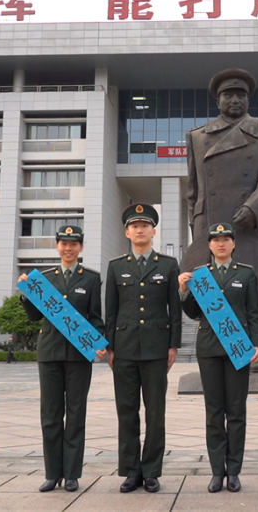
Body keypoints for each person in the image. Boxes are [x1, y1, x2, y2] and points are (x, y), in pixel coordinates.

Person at [18, 225, 105, 493]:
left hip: (79, 355)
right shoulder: (43, 279)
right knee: (51, 415)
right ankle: (52, 473)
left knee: (76, 414)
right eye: (64, 243)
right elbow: (34, 317)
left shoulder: (90, 278)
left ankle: (72, 474)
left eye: (74, 244)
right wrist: (26, 294)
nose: (68, 248)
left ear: (80, 247)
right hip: (50, 352)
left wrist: (99, 341)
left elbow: (95, 317)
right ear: (57, 246)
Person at [178, 222, 258, 493]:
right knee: (214, 412)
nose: (221, 244)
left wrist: (257, 344)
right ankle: (217, 471)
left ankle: (234, 471)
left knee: (236, 411)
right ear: (210, 245)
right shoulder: (202, 275)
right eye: (216, 240)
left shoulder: (246, 274)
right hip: (210, 349)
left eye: (226, 239)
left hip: (238, 349)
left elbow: (254, 313)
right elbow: (193, 312)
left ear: (233, 244)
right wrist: (182, 291)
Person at [105, 203, 182, 493]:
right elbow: (110, 311)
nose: (140, 230)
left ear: (153, 231)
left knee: (155, 413)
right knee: (127, 412)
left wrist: (173, 344)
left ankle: (151, 471)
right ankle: (131, 471)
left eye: (145, 225)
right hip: (123, 349)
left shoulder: (168, 264)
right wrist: (110, 347)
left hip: (156, 348)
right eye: (134, 226)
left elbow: (174, 309)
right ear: (127, 231)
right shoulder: (116, 266)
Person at [183, 68, 258, 276]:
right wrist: (195, 225)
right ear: (218, 101)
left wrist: (254, 208)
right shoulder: (197, 136)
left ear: (248, 101)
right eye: (228, 95)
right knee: (210, 295)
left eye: (241, 95)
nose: (235, 100)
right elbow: (192, 190)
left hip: (249, 222)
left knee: (251, 288)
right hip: (209, 226)